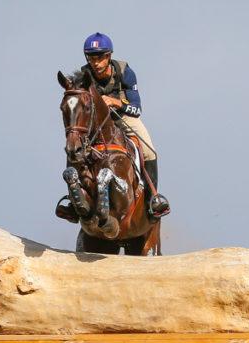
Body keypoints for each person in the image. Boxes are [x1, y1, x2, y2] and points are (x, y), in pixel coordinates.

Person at [57, 32, 171, 222]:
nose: (96, 62)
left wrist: (115, 102)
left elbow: (136, 108)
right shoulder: (84, 77)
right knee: (74, 148)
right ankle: (73, 201)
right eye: (91, 57)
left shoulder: (124, 72)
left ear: (109, 56)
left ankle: (153, 200)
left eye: (100, 57)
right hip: (97, 124)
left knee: (149, 151)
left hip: (124, 117)